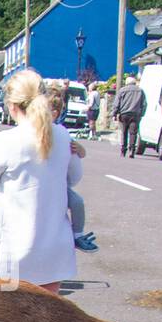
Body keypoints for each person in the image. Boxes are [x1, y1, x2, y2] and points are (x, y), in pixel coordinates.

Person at [0, 70, 81, 293]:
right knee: (45, 321)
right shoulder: (63, 135)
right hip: (52, 248)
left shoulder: (5, 141)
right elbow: (74, 178)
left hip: (9, 251)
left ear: (11, 105)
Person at [48, 83, 97, 252]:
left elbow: (77, 154)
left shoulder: (61, 133)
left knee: (77, 201)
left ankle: (77, 235)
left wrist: (81, 150)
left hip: (56, 183)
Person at [111, 72, 146, 157]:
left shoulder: (122, 90)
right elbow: (144, 104)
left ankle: (123, 151)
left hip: (124, 114)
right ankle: (132, 150)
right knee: (133, 133)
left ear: (127, 82)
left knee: (124, 132)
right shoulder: (140, 91)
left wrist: (114, 114)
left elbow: (117, 103)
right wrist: (141, 114)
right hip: (135, 114)